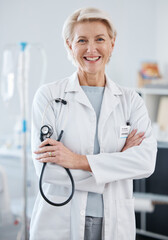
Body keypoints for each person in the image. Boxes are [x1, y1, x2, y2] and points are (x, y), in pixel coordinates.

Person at [30, 7, 157, 240]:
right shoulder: (48, 97)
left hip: (115, 221)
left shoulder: (131, 101)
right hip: (61, 220)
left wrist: (77, 161)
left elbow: (146, 163)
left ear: (112, 44)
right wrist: (117, 164)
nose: (91, 49)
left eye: (100, 39)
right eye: (82, 40)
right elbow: (47, 172)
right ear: (70, 45)